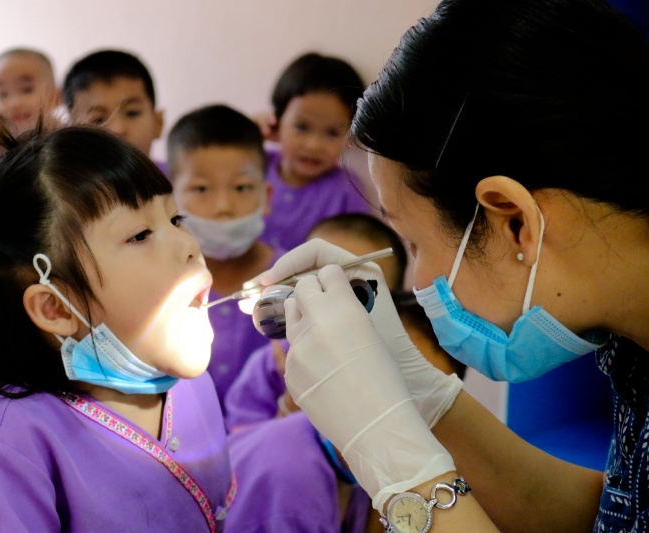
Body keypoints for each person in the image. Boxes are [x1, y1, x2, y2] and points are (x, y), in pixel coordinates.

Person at [257, 0, 649, 531]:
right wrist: (419, 395)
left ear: (515, 221)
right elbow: (613, 519)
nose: (419, 284)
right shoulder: (632, 353)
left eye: (414, 243)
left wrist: (397, 463)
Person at [0, 125, 235, 532]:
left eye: (176, 219)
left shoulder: (190, 387)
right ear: (55, 307)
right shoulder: (11, 441)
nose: (188, 245)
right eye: (140, 234)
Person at [224, 213, 408, 429]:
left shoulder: (406, 364)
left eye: (357, 292)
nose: (333, 301)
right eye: (316, 282)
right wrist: (291, 404)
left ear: (393, 301)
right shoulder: (272, 363)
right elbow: (242, 444)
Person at [167, 104, 282, 409]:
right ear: (171, 199)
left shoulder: (289, 281)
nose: (223, 207)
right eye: (202, 188)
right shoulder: (160, 284)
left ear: (267, 196)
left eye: (242, 187)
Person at [258, 52, 373, 252]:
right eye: (301, 127)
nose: (313, 145)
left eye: (332, 133)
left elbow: (360, 250)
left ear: (350, 134)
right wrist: (250, 132)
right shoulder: (255, 165)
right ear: (277, 121)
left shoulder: (346, 190)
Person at [62, 49, 164, 162]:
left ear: (158, 123)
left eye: (131, 113)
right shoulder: (57, 173)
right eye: (98, 120)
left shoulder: (176, 172)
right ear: (72, 136)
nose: (118, 129)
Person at [0, 48, 61, 134]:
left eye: (26, 90)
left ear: (56, 97)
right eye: (2, 94)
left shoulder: (69, 136)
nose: (14, 103)